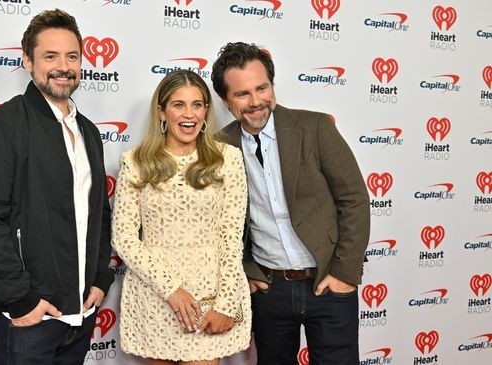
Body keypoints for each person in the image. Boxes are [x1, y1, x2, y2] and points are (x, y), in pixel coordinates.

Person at [0, 9, 114, 365]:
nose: (63, 66)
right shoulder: (1, 125)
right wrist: (21, 299)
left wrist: (101, 277)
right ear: (28, 62)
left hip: (80, 318)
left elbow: (99, 215)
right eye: (50, 56)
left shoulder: (88, 131)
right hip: (29, 322)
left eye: (71, 56)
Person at [212, 42, 370, 365]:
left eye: (262, 88)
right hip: (270, 291)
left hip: (327, 283)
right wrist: (247, 269)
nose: (256, 101)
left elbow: (354, 199)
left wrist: (344, 271)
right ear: (227, 101)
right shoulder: (220, 146)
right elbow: (217, 222)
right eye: (242, 94)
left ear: (272, 85)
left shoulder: (315, 127)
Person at [112, 70, 251, 365]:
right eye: (178, 105)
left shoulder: (227, 159)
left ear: (206, 111)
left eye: (197, 104)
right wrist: (171, 289)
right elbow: (123, 238)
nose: (189, 114)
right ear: (161, 111)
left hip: (208, 297)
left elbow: (231, 237)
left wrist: (226, 302)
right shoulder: (135, 162)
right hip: (156, 298)